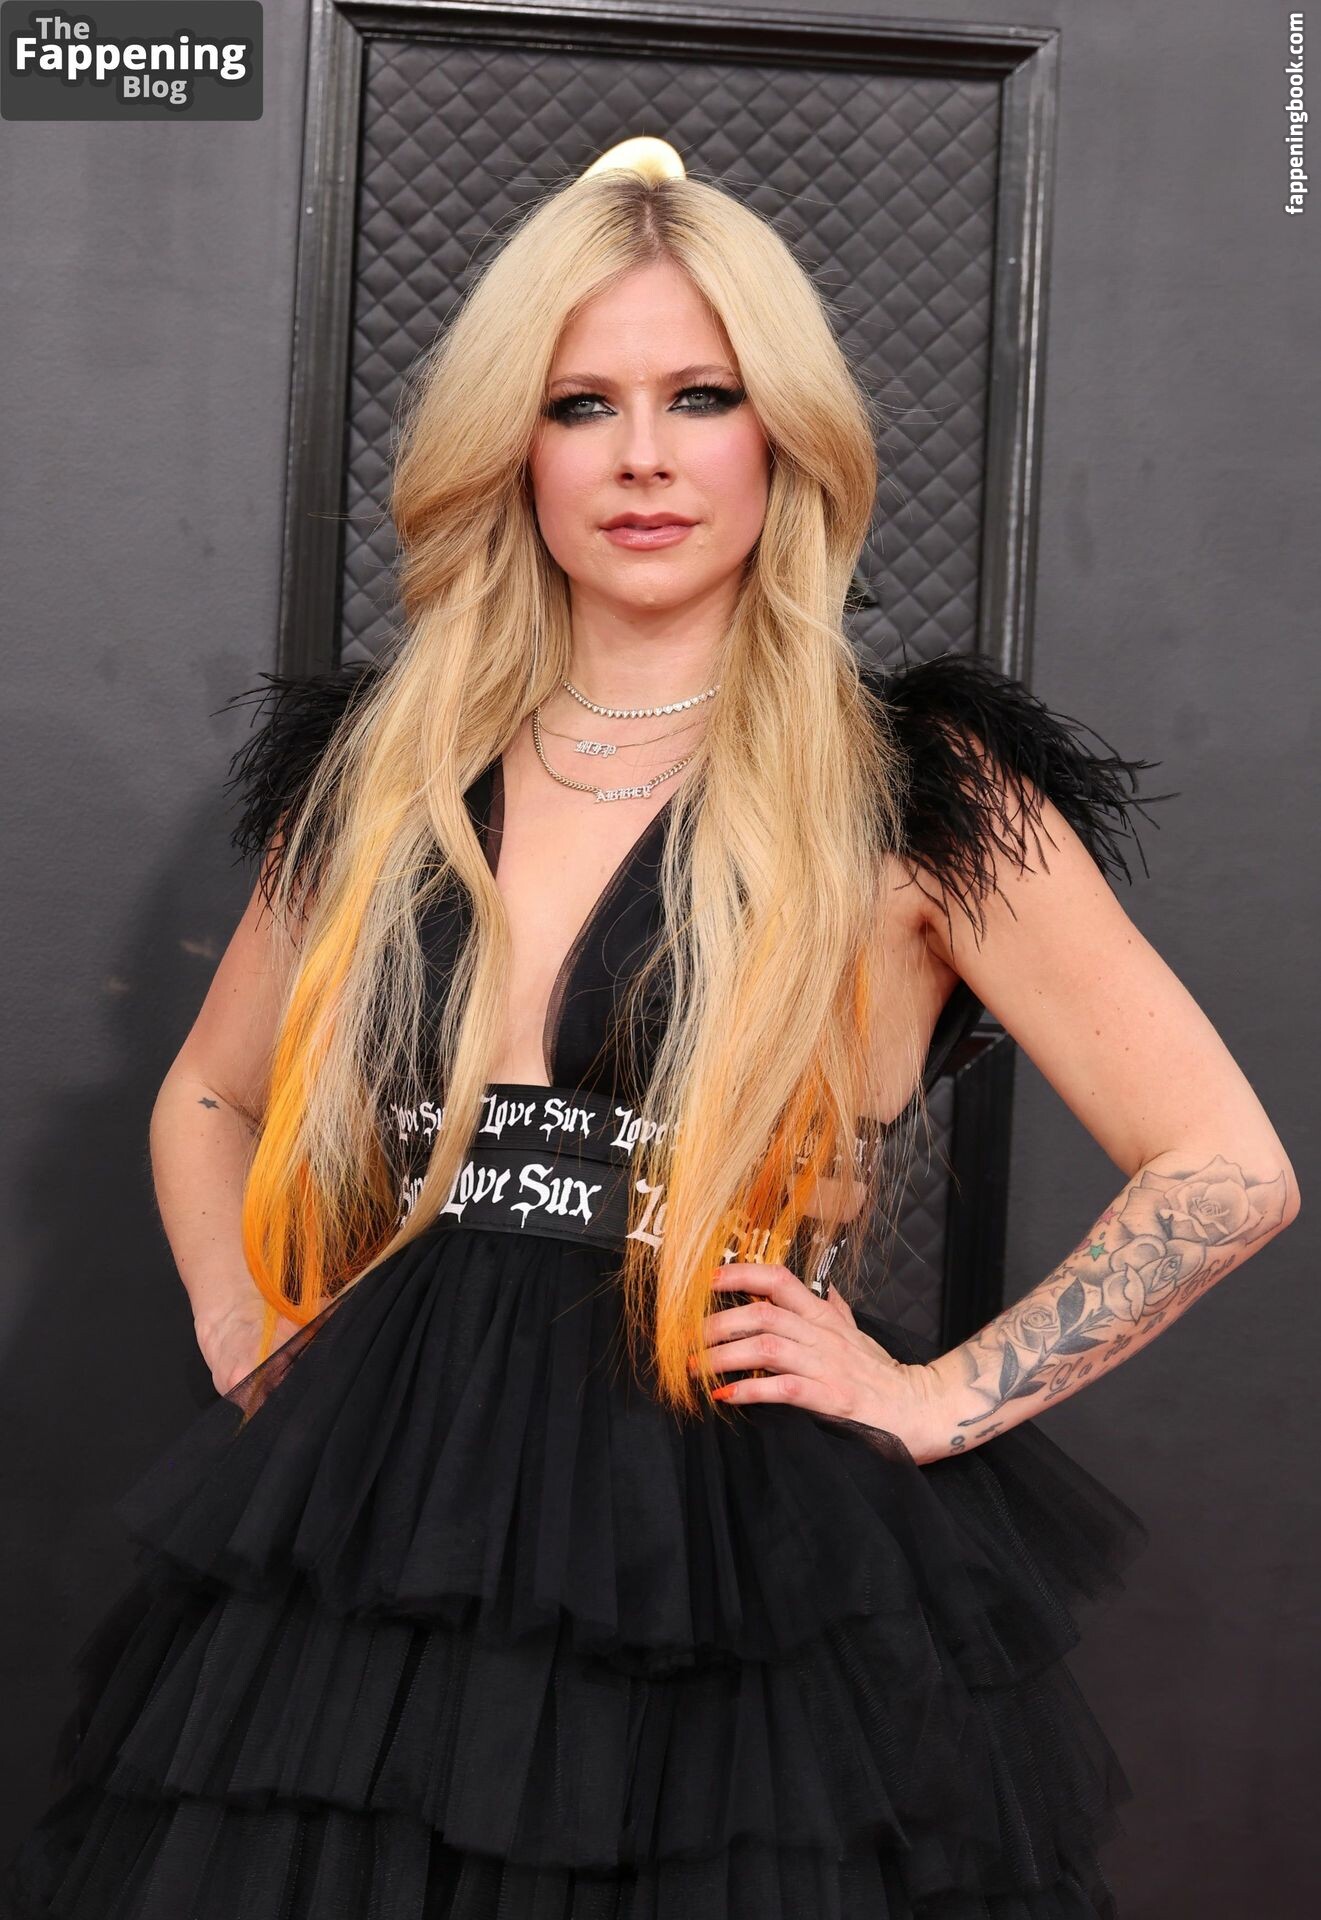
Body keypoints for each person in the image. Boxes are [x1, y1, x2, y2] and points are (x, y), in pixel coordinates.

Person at [5, 139, 1299, 1920]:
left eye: (700, 396)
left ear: (782, 435)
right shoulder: (384, 774)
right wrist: (243, 1325)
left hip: (731, 1544)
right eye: (579, 405)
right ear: (510, 447)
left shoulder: (910, 790)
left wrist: (938, 1398)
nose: (640, 456)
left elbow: (1224, 1166)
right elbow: (208, 1097)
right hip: (377, 1526)